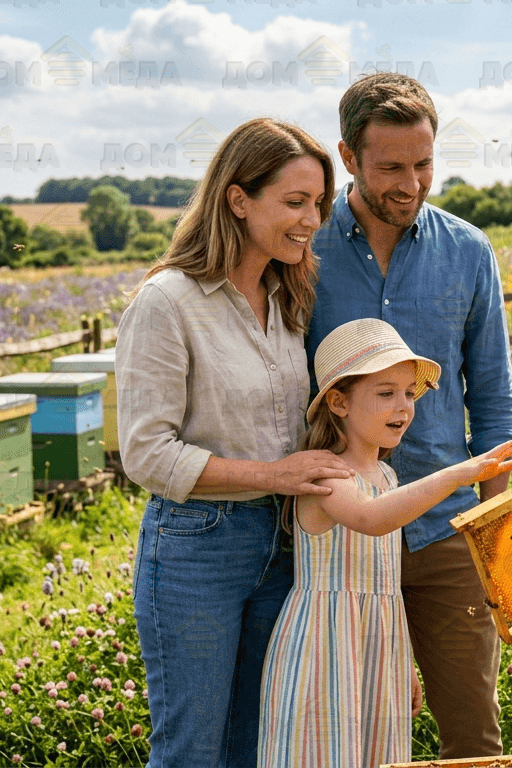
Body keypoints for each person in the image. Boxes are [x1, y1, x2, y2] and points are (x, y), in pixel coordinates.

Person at [115, 117, 353, 768]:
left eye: (319, 204)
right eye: (295, 202)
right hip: (197, 550)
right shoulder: (168, 302)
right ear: (238, 198)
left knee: (255, 746)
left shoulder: (286, 298)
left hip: (279, 549)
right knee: (192, 752)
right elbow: (146, 454)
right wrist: (276, 475)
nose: (312, 220)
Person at [306, 72, 512, 759]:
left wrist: (496, 536)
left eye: (424, 164)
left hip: (445, 533)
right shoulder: (300, 252)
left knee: (472, 734)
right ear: (348, 157)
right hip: (333, 534)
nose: (411, 182)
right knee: (347, 731)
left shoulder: (468, 250)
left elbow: (492, 401)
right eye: (391, 167)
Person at [260, 318, 512, 768]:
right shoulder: (327, 474)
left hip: (376, 646)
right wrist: (457, 474)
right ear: (339, 402)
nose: (402, 405)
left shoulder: (386, 476)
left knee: (377, 756)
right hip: (326, 646)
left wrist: (402, 657)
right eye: (385, 393)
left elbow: (387, 583)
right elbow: (372, 519)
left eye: (408, 392)